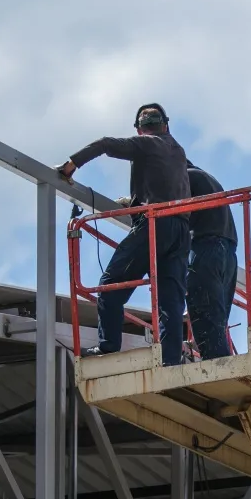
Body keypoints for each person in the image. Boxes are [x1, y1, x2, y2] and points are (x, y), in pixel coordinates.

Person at [58, 104, 191, 364]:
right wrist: (132, 202)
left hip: (155, 225)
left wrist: (70, 165)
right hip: (181, 230)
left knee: (109, 287)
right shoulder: (177, 151)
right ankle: (171, 361)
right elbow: (161, 184)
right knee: (170, 300)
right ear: (166, 124)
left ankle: (108, 347)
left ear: (140, 129)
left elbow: (106, 144)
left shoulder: (147, 144)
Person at [184, 162, 238, 360]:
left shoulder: (184, 177)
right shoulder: (206, 177)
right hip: (228, 252)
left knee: (206, 319)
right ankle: (221, 362)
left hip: (206, 249)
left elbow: (164, 209)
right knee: (216, 321)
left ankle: (219, 368)